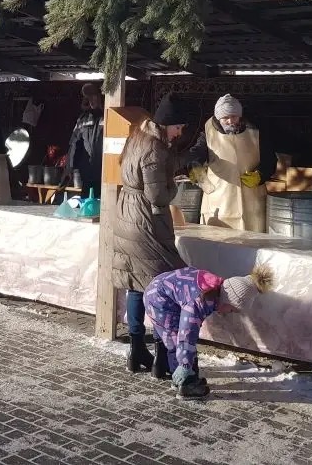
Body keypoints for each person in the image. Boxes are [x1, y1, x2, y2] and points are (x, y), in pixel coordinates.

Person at [112, 91, 194, 374]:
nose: (179, 133)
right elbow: (157, 195)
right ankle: (162, 357)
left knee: (136, 283)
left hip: (126, 213)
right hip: (146, 220)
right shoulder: (156, 149)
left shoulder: (137, 137)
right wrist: (175, 185)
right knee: (162, 285)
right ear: (166, 123)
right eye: (178, 127)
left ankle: (136, 351)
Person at [144, 263, 274, 398]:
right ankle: (186, 384)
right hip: (158, 300)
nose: (229, 313)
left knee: (181, 341)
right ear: (228, 300)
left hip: (161, 289)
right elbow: (187, 334)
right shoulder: (199, 300)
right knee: (177, 341)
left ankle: (185, 376)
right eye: (232, 309)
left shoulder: (213, 288)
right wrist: (185, 365)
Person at [185, 94, 275, 232]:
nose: (230, 121)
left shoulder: (255, 133)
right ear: (218, 118)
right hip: (219, 202)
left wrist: (260, 175)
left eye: (234, 116)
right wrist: (195, 170)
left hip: (252, 203)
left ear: (240, 116)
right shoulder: (207, 135)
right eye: (225, 117)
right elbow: (195, 155)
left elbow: (270, 160)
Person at [66, 83, 105, 198]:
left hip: (104, 171)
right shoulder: (83, 119)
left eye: (94, 96)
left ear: (100, 96)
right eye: (88, 97)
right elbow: (74, 143)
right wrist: (70, 166)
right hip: (87, 172)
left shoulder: (109, 117)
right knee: (86, 201)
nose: (91, 100)